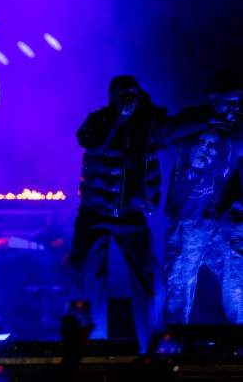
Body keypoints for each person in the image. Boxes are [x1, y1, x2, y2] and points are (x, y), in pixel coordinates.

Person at [66, 75, 216, 353]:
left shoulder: (148, 124)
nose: (129, 99)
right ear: (112, 95)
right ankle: (88, 349)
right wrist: (118, 120)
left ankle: (151, 350)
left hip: (132, 214)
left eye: (133, 93)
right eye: (123, 93)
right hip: (93, 213)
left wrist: (215, 110)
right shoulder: (97, 121)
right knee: (87, 279)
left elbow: (179, 124)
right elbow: (93, 144)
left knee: (149, 281)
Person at [164, 70, 243, 325]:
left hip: (226, 219)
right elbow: (160, 136)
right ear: (214, 99)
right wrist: (202, 120)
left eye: (239, 101)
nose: (235, 107)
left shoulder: (239, 130)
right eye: (229, 101)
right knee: (180, 283)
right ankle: (173, 347)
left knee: (238, 282)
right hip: (189, 217)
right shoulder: (192, 122)